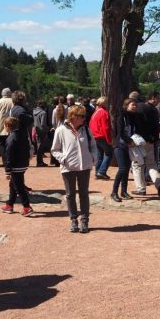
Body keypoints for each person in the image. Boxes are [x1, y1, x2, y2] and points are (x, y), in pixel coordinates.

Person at [51, 105, 97, 233]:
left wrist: (93, 157)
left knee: (84, 194)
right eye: (81, 116)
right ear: (73, 117)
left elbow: (93, 146)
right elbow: (55, 149)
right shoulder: (60, 130)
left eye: (84, 116)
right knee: (70, 194)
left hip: (84, 167)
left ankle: (84, 220)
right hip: (68, 167)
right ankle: (73, 220)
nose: (84, 118)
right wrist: (63, 159)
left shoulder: (86, 130)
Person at [1, 117, 33, 216]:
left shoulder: (11, 138)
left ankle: (27, 207)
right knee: (13, 184)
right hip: (23, 164)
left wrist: (8, 170)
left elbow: (9, 155)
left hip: (15, 166)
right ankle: (10, 204)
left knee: (18, 187)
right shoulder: (22, 135)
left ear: (7, 127)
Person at [110, 99, 139, 203]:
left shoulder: (134, 117)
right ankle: (114, 192)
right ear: (126, 105)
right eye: (133, 105)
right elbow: (121, 132)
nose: (135, 106)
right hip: (120, 145)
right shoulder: (121, 116)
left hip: (130, 146)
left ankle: (124, 191)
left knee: (126, 169)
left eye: (136, 105)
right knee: (122, 169)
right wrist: (129, 141)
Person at [89, 97, 112, 180]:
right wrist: (109, 139)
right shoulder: (104, 113)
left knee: (100, 155)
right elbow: (106, 128)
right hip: (101, 136)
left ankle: (97, 172)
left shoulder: (96, 112)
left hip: (95, 136)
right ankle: (101, 171)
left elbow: (90, 124)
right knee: (109, 153)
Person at [32, 100, 50, 167]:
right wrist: (47, 129)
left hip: (36, 130)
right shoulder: (43, 113)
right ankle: (39, 162)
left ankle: (40, 162)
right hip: (42, 132)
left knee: (38, 147)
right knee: (40, 148)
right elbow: (43, 124)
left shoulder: (34, 112)